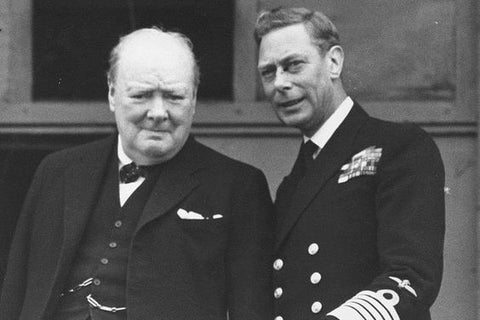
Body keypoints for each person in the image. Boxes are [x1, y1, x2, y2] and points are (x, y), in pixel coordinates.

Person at [0, 27, 274, 320]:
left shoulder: (239, 186)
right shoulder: (57, 171)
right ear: (112, 94)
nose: (158, 112)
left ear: (193, 99)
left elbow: (253, 310)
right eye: (141, 95)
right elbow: (15, 291)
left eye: (174, 96)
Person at [255, 7, 445, 320]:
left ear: (334, 61)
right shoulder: (291, 186)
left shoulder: (398, 146)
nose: (280, 83)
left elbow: (411, 276)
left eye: (293, 65)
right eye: (268, 72)